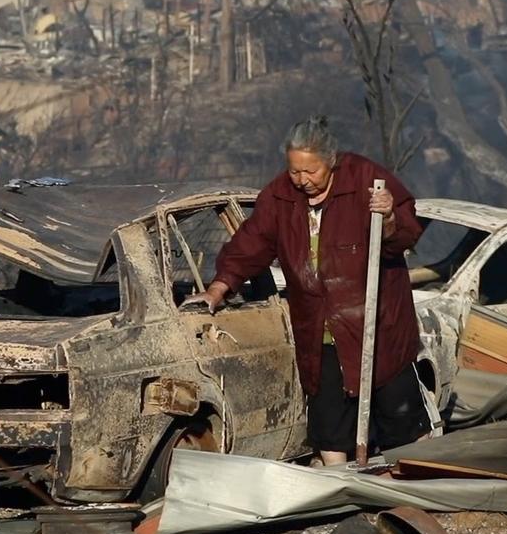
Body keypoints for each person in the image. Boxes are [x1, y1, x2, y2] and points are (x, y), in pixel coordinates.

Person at [184, 115, 432, 464]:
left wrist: (388, 216)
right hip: (320, 329)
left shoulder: (363, 179)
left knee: (399, 412)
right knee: (331, 419)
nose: (302, 181)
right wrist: (218, 288)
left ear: (331, 161)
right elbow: (251, 244)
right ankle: (338, 483)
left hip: (377, 324)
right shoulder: (280, 196)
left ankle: (416, 477)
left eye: (311, 172)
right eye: (295, 172)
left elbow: (404, 234)